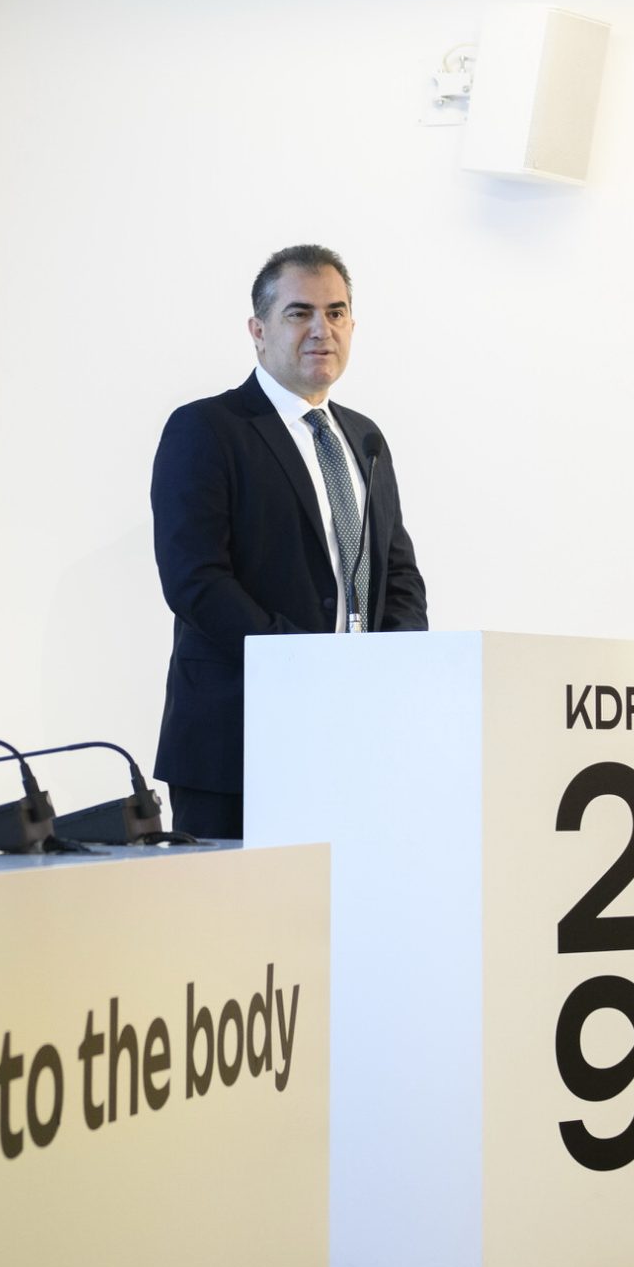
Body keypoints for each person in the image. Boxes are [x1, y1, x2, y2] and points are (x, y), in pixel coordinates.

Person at [148, 244, 427, 839]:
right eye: (299, 313)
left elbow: (398, 573)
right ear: (258, 330)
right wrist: (302, 665)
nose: (321, 329)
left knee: (345, 897)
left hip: (355, 736)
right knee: (235, 901)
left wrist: (395, 668)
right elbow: (195, 581)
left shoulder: (365, 438)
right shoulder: (208, 429)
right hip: (238, 737)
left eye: (336, 312)